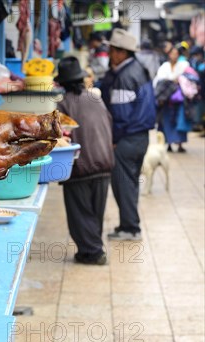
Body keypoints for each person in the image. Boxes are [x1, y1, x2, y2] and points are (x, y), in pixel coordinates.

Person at [55, 56, 114, 265]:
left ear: (62, 83)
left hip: (79, 166)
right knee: (95, 212)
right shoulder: (96, 99)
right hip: (104, 163)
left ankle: (93, 252)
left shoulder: (62, 105)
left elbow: (60, 137)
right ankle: (90, 250)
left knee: (80, 213)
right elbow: (109, 123)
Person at [100, 28, 157, 241]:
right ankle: (129, 225)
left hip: (128, 138)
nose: (110, 55)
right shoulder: (136, 69)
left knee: (123, 183)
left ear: (122, 53)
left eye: (112, 51)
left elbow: (121, 115)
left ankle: (131, 229)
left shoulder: (125, 76)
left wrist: (114, 140)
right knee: (129, 183)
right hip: (138, 137)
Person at [153, 43, 191, 152]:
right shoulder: (164, 66)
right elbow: (159, 80)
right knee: (166, 121)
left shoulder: (184, 65)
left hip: (179, 99)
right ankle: (168, 143)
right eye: (172, 54)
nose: (174, 56)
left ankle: (179, 144)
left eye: (176, 54)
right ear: (169, 55)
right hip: (166, 100)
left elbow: (187, 79)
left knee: (180, 120)